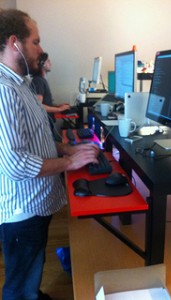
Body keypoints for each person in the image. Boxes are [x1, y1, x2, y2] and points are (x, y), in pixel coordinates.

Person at [0, 9, 99, 300]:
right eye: (36, 41)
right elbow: (16, 164)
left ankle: (32, 293)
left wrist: (67, 148)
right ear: (15, 43)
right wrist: (70, 162)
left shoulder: (21, 85)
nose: (41, 50)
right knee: (19, 283)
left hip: (35, 207)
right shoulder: (4, 92)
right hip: (23, 211)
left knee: (31, 268)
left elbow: (37, 138)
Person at [31, 52, 71, 138]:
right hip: (45, 124)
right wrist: (59, 109)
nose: (51, 63)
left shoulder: (41, 80)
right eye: (48, 61)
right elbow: (39, 105)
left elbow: (45, 102)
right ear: (43, 64)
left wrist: (57, 106)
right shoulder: (38, 81)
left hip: (48, 122)